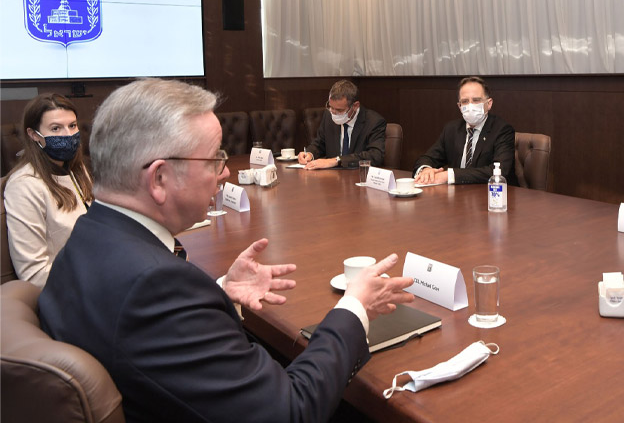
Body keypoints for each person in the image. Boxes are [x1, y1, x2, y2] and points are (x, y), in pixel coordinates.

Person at [37, 78, 414, 423]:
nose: (225, 173)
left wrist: (217, 292)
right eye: (214, 158)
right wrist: (354, 307)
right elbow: (291, 411)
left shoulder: (91, 234)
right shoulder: (156, 289)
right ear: (159, 178)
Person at [2, 93, 92, 288]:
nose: (68, 135)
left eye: (72, 126)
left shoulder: (76, 169)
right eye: (55, 128)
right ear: (34, 135)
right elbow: (33, 274)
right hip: (69, 290)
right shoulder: (24, 186)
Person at [413, 76, 517, 185]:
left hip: (492, 195)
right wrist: (425, 170)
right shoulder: (451, 129)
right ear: (459, 106)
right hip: (458, 195)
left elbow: (499, 171)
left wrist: (449, 175)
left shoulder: (502, 130)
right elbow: (428, 157)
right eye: (465, 101)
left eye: (476, 100)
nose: (470, 106)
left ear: (489, 103)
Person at [298, 80, 386, 169]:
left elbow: (375, 155)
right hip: (331, 177)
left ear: (355, 106)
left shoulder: (374, 122)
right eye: (331, 107)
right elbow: (320, 144)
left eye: (339, 110)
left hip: (358, 177)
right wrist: (309, 154)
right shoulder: (328, 116)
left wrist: (337, 160)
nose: (334, 113)